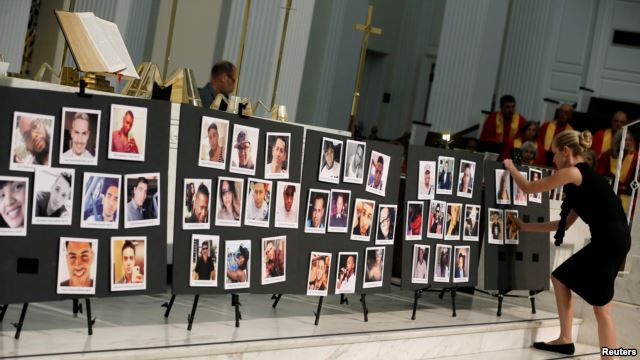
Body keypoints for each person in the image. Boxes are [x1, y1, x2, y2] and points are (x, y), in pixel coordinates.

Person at [504, 130, 630, 356]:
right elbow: (565, 224)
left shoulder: (573, 173)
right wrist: (525, 226)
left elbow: (530, 188)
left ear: (566, 151)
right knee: (560, 278)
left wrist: (511, 167)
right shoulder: (581, 179)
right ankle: (565, 339)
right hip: (613, 240)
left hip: (609, 242)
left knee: (602, 310)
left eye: (554, 154)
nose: (553, 160)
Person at [596, 130, 638, 213]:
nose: (628, 142)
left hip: (627, 196)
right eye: (625, 140)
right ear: (618, 141)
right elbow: (599, 175)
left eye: (630, 140)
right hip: (607, 192)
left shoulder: (636, 158)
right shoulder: (607, 155)